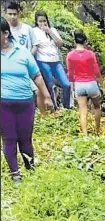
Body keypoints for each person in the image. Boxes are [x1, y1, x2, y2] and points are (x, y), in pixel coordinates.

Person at [1, 16, 53, 183]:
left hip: (25, 103)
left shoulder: (22, 52)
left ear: (6, 34)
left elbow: (36, 76)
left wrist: (46, 96)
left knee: (25, 139)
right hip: (3, 104)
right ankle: (15, 175)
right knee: (9, 138)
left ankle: (31, 169)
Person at [5, 1, 46, 115]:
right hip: (10, 67)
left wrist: (28, 56)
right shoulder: (5, 31)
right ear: (6, 14)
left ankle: (44, 116)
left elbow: (35, 45)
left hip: (27, 65)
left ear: (19, 14)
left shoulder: (27, 29)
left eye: (14, 14)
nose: (12, 17)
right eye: (10, 14)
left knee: (38, 90)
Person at [33, 10, 71, 110]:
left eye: (44, 20)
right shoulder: (34, 31)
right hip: (42, 61)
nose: (43, 23)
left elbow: (60, 43)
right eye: (40, 21)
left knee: (66, 84)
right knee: (49, 84)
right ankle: (53, 108)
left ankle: (66, 107)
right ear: (36, 22)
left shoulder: (52, 30)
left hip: (56, 61)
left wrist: (49, 31)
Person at [66, 30, 102, 135]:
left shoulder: (70, 55)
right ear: (85, 41)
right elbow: (96, 71)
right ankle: (97, 131)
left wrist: (73, 86)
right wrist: (100, 83)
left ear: (74, 41)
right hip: (91, 83)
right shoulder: (90, 54)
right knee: (96, 107)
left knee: (83, 110)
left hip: (79, 85)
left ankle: (85, 136)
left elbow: (70, 73)